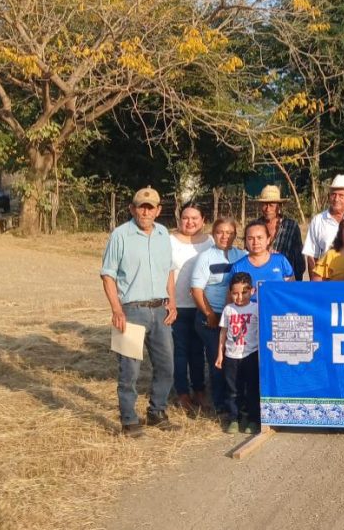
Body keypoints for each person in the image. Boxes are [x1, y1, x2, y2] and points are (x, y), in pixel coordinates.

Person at [99, 186, 178, 437]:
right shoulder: (120, 235)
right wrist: (116, 309)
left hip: (161, 310)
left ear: (158, 210)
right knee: (129, 370)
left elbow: (169, 270)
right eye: (140, 207)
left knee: (167, 365)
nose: (145, 212)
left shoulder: (163, 234)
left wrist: (172, 301)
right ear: (132, 209)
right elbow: (108, 275)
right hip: (131, 311)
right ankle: (129, 420)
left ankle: (157, 411)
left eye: (150, 208)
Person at [190, 217, 246, 419]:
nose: (225, 236)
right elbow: (196, 290)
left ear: (235, 235)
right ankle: (220, 404)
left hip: (236, 316)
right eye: (220, 232)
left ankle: (239, 402)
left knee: (236, 360)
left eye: (229, 232)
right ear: (213, 234)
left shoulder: (241, 255)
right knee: (218, 360)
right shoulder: (205, 257)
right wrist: (210, 314)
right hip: (212, 316)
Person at [169, 203, 214, 413]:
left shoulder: (210, 241)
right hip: (176, 305)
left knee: (198, 351)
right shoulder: (169, 240)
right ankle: (182, 393)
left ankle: (199, 390)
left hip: (201, 305)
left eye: (195, 218)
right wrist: (169, 302)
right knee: (179, 351)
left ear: (203, 220)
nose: (190, 222)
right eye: (186, 218)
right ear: (179, 219)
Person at [215, 272, 261, 435]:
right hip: (231, 356)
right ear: (230, 293)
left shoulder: (256, 308)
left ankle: (253, 419)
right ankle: (234, 418)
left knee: (252, 388)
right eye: (235, 293)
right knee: (233, 390)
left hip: (251, 355)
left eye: (244, 292)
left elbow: (261, 332)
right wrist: (220, 354)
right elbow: (223, 332)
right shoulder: (228, 309)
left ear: (252, 291)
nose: (240, 297)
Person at [302, 175, 344, 277]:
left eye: (341, 195)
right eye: (333, 195)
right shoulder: (318, 220)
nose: (336, 199)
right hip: (330, 279)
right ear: (328, 197)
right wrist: (315, 282)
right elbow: (312, 256)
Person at [254, 184, 305, 281]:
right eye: (265, 204)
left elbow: (299, 260)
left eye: (271, 205)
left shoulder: (291, 226)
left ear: (279, 206)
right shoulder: (255, 227)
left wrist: (296, 283)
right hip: (260, 278)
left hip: (285, 279)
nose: (267, 209)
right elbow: (248, 255)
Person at [229, 221, 294, 291]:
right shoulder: (238, 267)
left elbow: (292, 290)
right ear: (245, 242)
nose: (255, 242)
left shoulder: (281, 261)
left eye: (259, 238)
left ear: (268, 240)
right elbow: (231, 295)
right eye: (250, 238)